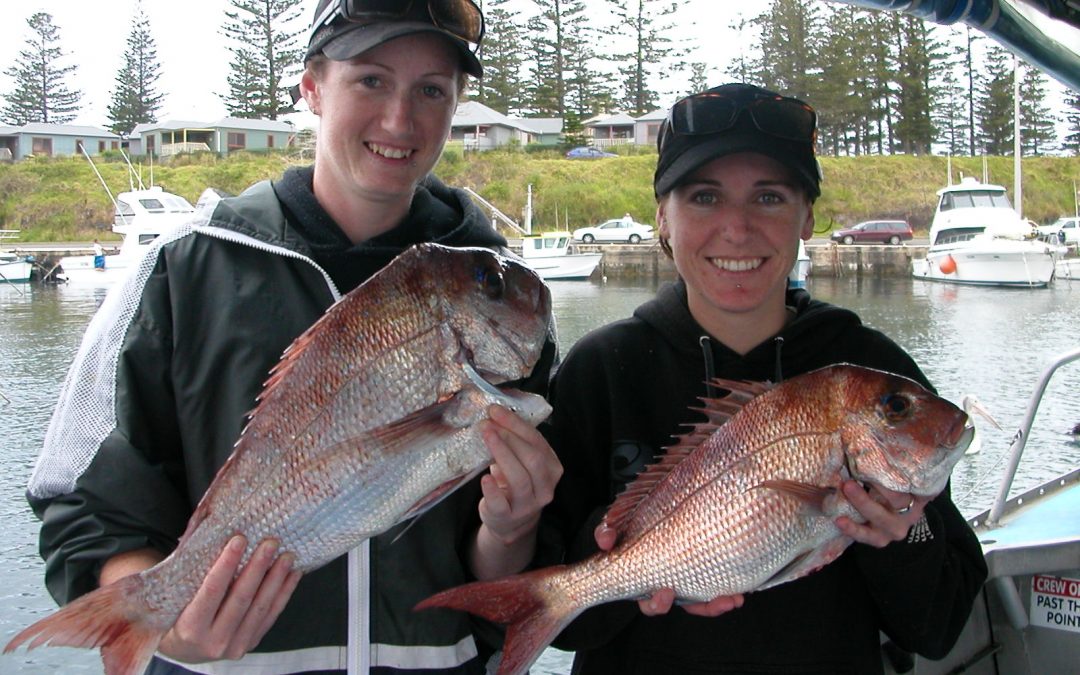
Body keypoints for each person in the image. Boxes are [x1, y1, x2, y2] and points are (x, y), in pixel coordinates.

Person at [26, 1, 558, 673]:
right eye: (370, 80)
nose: (400, 119)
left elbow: (503, 570)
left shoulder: (499, 300)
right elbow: (79, 494)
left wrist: (511, 528)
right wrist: (164, 623)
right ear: (311, 86)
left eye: (432, 89)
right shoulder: (185, 266)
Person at [535, 83, 989, 673]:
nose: (737, 228)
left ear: (807, 218)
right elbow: (565, 626)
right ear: (663, 220)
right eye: (704, 197)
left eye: (769, 197)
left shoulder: (875, 379)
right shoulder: (601, 370)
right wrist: (632, 568)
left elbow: (938, 627)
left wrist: (908, 536)